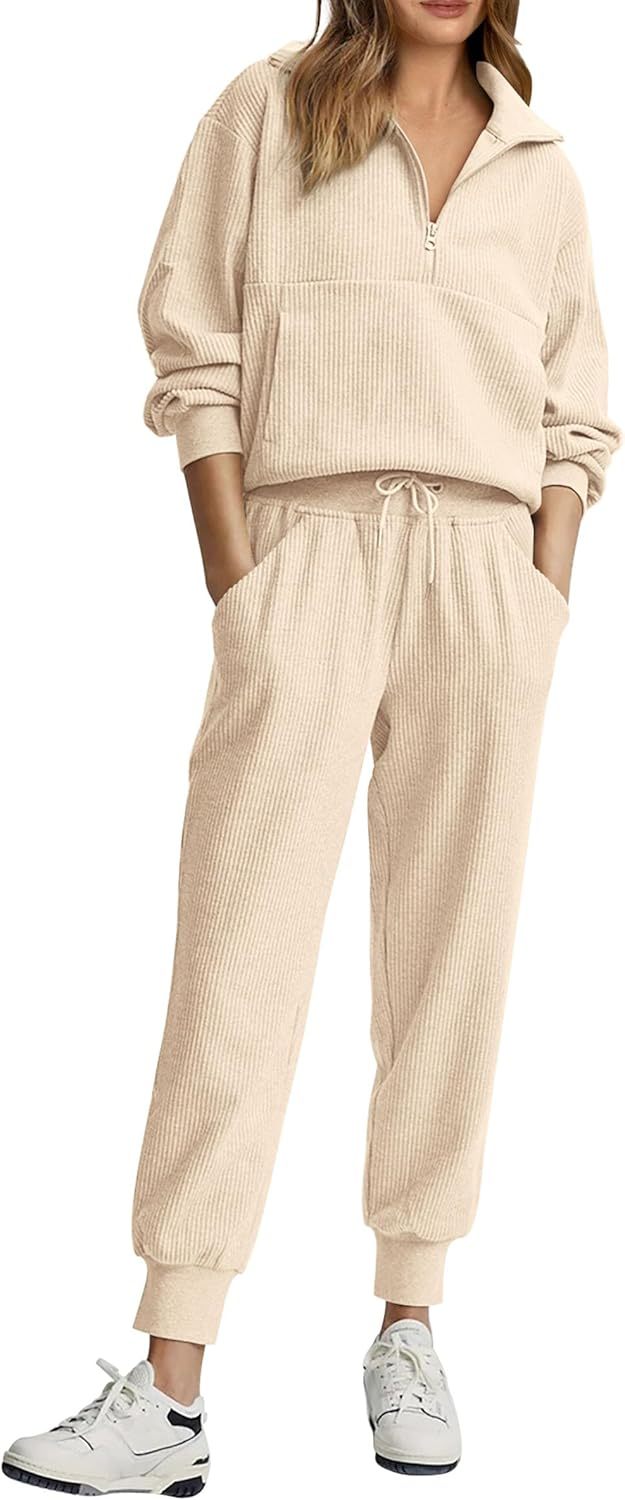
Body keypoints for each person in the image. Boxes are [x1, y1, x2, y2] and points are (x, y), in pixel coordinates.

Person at [3, 0, 620, 1486]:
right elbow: (192, 340)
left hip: (485, 577)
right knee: (240, 950)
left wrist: (541, 591)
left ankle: (410, 1321)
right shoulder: (266, 111)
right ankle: (171, 1383)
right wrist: (243, 579)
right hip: (310, 552)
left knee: (450, 957)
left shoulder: (538, 163)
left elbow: (576, 411)